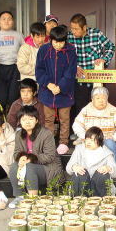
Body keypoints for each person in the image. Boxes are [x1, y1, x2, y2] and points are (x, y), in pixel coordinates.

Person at [8, 106, 63, 208]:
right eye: (24, 119)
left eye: (30, 119)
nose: (27, 122)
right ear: (20, 121)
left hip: (48, 168)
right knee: (14, 166)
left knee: (29, 167)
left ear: (37, 120)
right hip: (30, 166)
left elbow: (49, 156)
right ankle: (19, 196)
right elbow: (16, 152)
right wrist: (20, 157)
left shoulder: (46, 133)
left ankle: (33, 199)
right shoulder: (19, 134)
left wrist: (30, 159)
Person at [36, 25, 77, 155]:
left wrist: (60, 86)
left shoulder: (71, 50)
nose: (58, 45)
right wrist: (48, 84)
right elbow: (39, 70)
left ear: (65, 40)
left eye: (61, 42)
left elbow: (71, 71)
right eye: (55, 42)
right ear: (50, 39)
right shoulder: (43, 50)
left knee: (65, 119)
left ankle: (63, 143)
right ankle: (49, 143)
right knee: (48, 119)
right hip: (47, 91)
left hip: (64, 91)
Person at [68, 13, 116, 124]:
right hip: (79, 79)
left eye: (76, 29)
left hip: (97, 78)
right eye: (72, 28)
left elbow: (111, 47)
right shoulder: (69, 37)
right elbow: (64, 56)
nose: (73, 32)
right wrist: (74, 67)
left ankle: (99, 131)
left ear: (84, 27)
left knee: (100, 105)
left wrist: (104, 59)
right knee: (80, 106)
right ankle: (80, 133)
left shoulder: (96, 34)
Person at [72, 86, 116, 168]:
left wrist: (115, 137)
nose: (101, 101)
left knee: (110, 143)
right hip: (90, 139)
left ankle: (114, 168)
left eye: (104, 98)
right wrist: (85, 136)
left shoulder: (113, 110)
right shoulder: (86, 110)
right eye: (98, 98)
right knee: (81, 147)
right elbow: (77, 125)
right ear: (92, 99)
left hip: (107, 138)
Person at [66, 127, 116, 197]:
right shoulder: (79, 149)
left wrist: (108, 168)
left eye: (92, 140)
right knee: (80, 173)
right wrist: (74, 167)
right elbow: (68, 168)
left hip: (99, 185)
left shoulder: (106, 152)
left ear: (99, 140)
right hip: (82, 183)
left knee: (102, 174)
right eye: (87, 139)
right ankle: (77, 201)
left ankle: (102, 202)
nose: (88, 142)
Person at [0, 11, 24, 109]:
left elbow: (24, 50)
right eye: (4, 19)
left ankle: (13, 120)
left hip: (14, 68)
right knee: (0, 98)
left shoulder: (19, 35)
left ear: (13, 22)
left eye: (9, 19)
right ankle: (0, 121)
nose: (7, 21)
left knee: (13, 97)